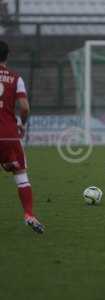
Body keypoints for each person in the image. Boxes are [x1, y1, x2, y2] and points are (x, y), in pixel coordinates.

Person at [0, 40, 44, 233]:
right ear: (7, 56)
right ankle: (29, 215)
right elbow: (24, 107)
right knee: (21, 176)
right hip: (9, 134)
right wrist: (22, 124)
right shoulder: (16, 78)